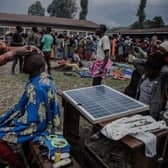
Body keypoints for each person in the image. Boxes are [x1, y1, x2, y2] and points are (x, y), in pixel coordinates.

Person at [0, 51, 60, 167]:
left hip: (37, 125)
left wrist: (12, 119)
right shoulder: (46, 80)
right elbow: (23, 107)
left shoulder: (35, 87)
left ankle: (16, 163)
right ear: (43, 67)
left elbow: (33, 119)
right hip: (48, 121)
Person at [136, 52, 168, 120]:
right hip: (138, 110)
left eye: (153, 70)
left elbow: (156, 106)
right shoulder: (144, 76)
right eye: (148, 68)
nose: (150, 71)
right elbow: (136, 63)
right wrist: (147, 60)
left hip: (149, 116)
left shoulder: (160, 82)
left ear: (159, 70)